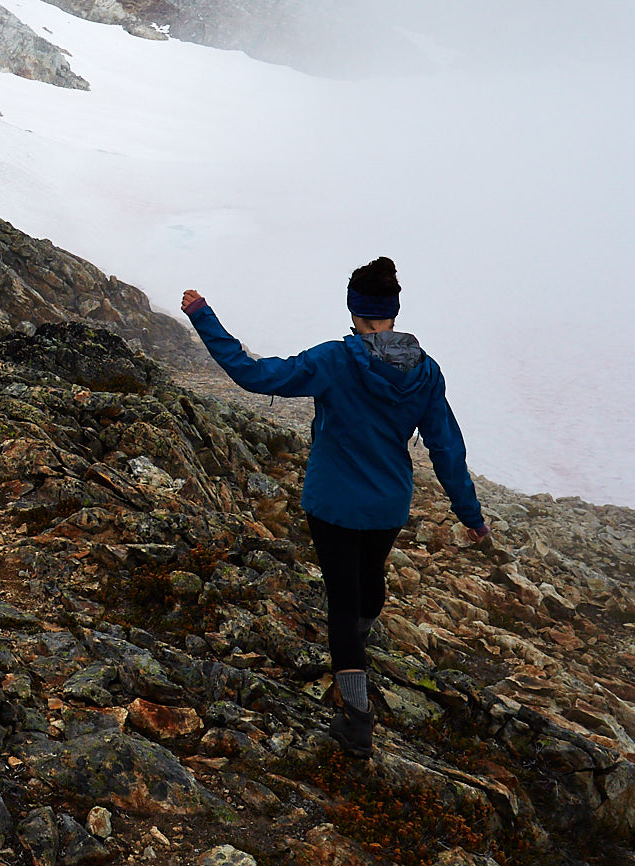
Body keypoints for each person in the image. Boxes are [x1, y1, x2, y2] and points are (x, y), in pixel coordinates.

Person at [179, 257, 488, 757]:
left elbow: (255, 376)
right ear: (394, 311)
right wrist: (471, 517)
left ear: (354, 309)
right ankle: (356, 656)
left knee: (342, 606)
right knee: (368, 585)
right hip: (388, 507)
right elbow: (447, 449)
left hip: (332, 504)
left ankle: (356, 718)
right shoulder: (426, 373)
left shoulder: (335, 360)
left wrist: (203, 316)